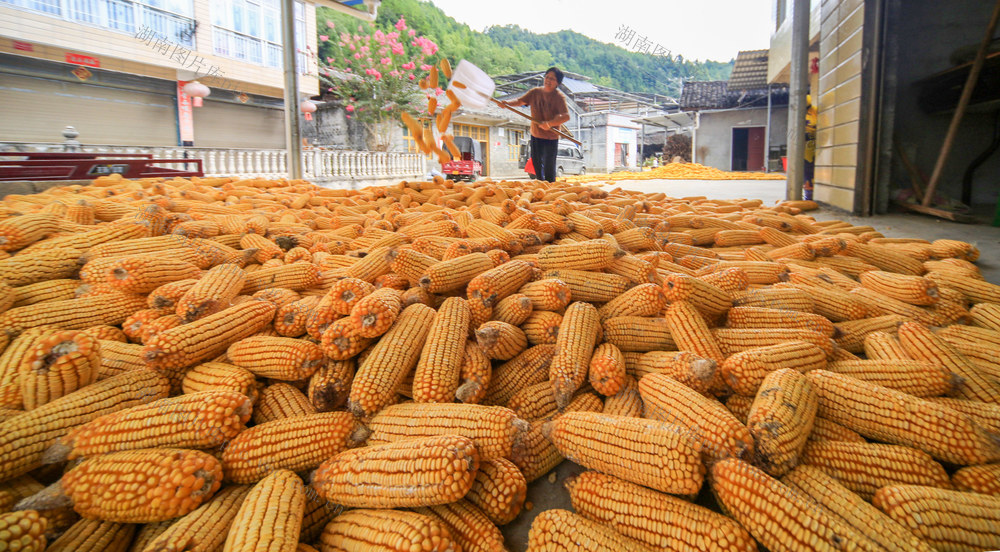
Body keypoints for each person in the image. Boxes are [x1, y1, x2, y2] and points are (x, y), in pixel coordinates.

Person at [501, 67, 570, 183]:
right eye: (547, 77)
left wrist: (550, 124)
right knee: (537, 164)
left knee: (549, 166)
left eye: (552, 79)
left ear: (558, 83)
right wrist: (507, 103)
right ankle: (540, 185)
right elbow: (520, 101)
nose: (548, 80)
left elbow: (566, 116)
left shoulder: (559, 97)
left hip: (551, 137)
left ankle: (550, 186)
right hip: (536, 135)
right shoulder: (535, 92)